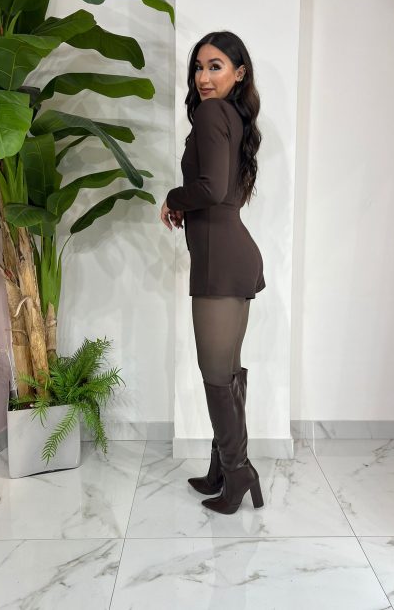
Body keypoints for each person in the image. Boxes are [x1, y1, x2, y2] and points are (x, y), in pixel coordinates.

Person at [160, 31, 265, 515]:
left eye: (215, 66)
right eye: (198, 67)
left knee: (216, 375)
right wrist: (190, 204)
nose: (203, 77)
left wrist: (172, 198)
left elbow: (211, 188)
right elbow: (221, 191)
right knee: (226, 370)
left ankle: (238, 472)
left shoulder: (209, 114)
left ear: (238, 73)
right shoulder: (232, 115)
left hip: (219, 264)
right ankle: (223, 468)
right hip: (232, 256)